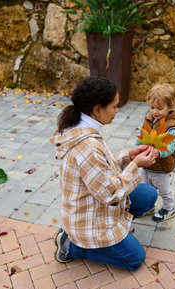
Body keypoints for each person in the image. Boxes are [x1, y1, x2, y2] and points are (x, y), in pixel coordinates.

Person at [50, 77, 157, 271]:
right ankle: (71, 246)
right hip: (89, 216)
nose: (117, 111)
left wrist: (128, 156)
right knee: (135, 258)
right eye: (114, 107)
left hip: (97, 198)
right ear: (97, 109)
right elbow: (108, 194)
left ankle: (117, 224)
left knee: (149, 195)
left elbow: (100, 168)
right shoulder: (87, 144)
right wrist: (135, 164)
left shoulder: (83, 128)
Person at [135, 83, 175, 222]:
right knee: (145, 188)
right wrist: (136, 150)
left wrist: (158, 153)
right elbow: (142, 137)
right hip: (146, 164)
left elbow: (170, 146)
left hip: (161, 166)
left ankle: (168, 208)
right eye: (152, 107)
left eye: (160, 108)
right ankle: (148, 206)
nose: (155, 111)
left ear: (170, 107)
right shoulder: (149, 119)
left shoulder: (171, 125)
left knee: (164, 190)